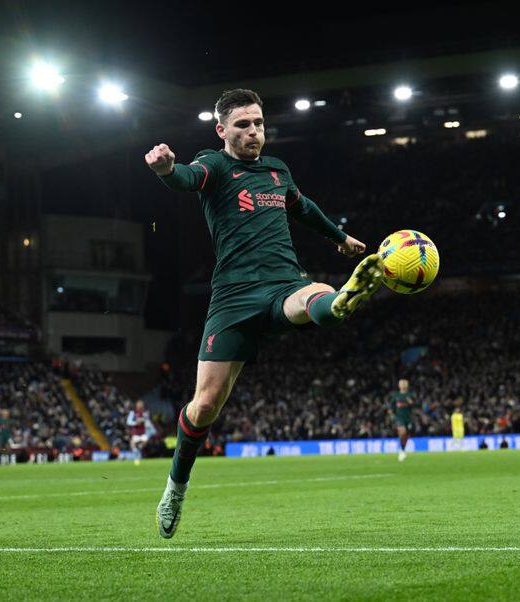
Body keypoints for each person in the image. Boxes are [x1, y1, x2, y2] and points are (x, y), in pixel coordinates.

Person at [145, 88, 384, 538]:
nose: (254, 131)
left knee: (316, 298)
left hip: (283, 283)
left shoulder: (277, 171)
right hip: (233, 299)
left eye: (258, 123)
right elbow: (185, 178)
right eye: (242, 125)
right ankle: (176, 486)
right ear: (222, 131)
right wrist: (164, 171)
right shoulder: (214, 165)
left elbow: (302, 207)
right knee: (205, 406)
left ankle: (341, 299)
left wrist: (340, 237)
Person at [387, 379, 418, 461]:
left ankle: (403, 450)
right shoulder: (396, 395)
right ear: (399, 385)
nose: (403, 386)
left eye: (404, 384)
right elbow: (391, 406)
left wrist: (411, 403)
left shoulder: (410, 395)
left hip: (408, 418)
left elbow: (416, 406)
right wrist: (391, 413)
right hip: (399, 418)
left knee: (406, 435)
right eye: (402, 384)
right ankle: (402, 450)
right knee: (402, 431)